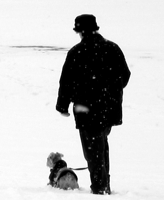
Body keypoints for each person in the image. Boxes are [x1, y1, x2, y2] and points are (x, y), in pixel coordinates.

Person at [56, 14, 131, 195]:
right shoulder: (113, 48)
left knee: (93, 151)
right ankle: (104, 186)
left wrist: (63, 106)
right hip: (109, 109)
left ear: (80, 31)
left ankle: (100, 189)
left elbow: (66, 82)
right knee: (101, 146)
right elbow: (125, 76)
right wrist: (110, 93)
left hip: (86, 109)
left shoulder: (76, 52)